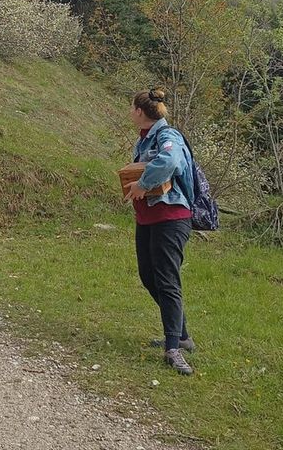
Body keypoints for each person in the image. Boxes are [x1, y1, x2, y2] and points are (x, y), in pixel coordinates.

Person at [124, 88, 196, 376]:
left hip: (170, 218)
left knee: (167, 281)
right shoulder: (144, 138)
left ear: (140, 111)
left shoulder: (168, 136)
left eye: (132, 107)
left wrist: (142, 184)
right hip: (148, 219)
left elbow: (169, 161)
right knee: (148, 276)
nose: (130, 112)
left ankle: (173, 349)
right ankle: (182, 336)